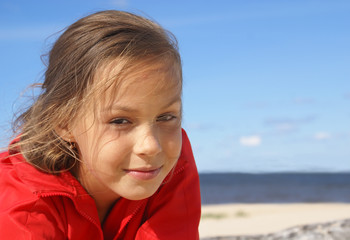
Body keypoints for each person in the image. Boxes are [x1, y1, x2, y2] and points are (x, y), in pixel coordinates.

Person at [0, 10, 201, 239]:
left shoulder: (173, 163)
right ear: (63, 122)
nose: (152, 146)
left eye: (166, 117)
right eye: (120, 121)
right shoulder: (21, 203)